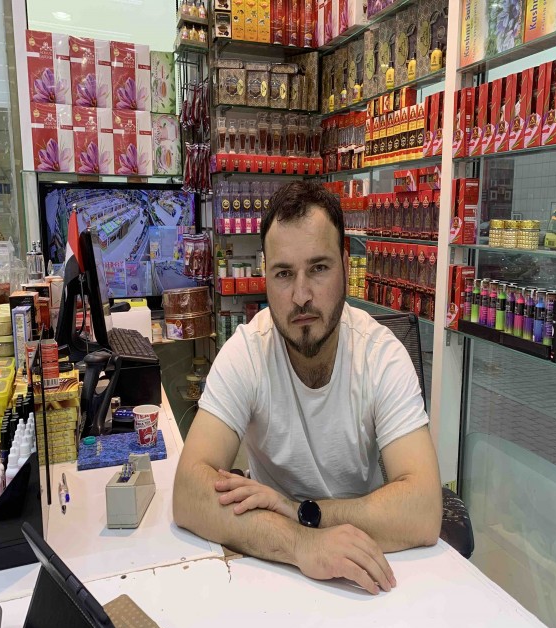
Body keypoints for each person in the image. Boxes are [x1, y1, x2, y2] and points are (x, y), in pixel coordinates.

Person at [173, 182, 442, 595]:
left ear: (345, 265)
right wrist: (301, 543)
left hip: (366, 571)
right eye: (284, 274)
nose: (301, 296)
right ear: (265, 276)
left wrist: (302, 512)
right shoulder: (247, 351)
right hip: (275, 573)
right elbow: (188, 493)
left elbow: (423, 510)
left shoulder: (381, 355)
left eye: (318, 268)